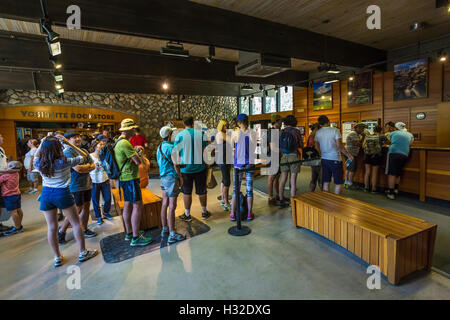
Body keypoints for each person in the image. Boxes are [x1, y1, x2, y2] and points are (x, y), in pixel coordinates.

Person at [33, 135, 97, 267]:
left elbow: (37, 154)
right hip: (62, 193)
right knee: (76, 223)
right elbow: (83, 155)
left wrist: (43, 142)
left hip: (46, 194)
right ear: (59, 148)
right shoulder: (65, 161)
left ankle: (57, 257)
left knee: (51, 227)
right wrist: (68, 143)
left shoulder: (39, 163)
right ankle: (83, 252)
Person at [115, 118, 152, 246]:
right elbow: (137, 161)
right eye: (133, 128)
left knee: (128, 204)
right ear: (129, 129)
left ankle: (129, 233)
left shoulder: (118, 141)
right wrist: (137, 154)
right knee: (137, 205)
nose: (134, 130)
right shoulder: (125, 143)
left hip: (124, 178)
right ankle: (136, 237)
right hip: (130, 177)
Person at [58, 131, 97, 244]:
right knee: (76, 210)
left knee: (86, 207)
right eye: (74, 137)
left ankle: (84, 229)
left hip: (87, 183)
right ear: (67, 140)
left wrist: (87, 167)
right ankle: (61, 231)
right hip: (75, 185)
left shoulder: (84, 151)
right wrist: (88, 167)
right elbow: (77, 169)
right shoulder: (67, 152)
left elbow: (93, 165)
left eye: (78, 136)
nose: (77, 139)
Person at [173, 115, 211, 221]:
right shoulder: (200, 134)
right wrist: (207, 163)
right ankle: (204, 212)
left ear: (183, 123)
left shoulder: (179, 136)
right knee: (202, 191)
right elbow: (205, 150)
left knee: (186, 192)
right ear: (193, 123)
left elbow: (175, 152)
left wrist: (177, 167)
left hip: (185, 169)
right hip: (200, 168)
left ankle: (187, 214)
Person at [157, 126, 186, 244]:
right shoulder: (172, 147)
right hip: (171, 178)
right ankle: (172, 234)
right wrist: (180, 177)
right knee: (172, 206)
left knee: (165, 203)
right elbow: (176, 164)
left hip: (163, 178)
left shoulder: (159, 147)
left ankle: (165, 229)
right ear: (169, 135)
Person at [314, 115, 354, 195]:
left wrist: (322, 154)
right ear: (328, 122)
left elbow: (316, 147)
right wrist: (348, 155)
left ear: (320, 124)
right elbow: (340, 146)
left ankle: (326, 200)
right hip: (335, 159)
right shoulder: (335, 130)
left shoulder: (318, 132)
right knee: (338, 182)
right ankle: (336, 200)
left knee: (326, 181)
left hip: (324, 159)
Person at [230, 114, 257, 221]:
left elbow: (232, 148)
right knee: (249, 190)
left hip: (238, 164)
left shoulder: (235, 133)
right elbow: (254, 147)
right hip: (249, 162)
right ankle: (249, 214)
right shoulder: (253, 133)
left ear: (238, 122)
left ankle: (232, 214)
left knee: (236, 189)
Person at [278, 115, 303, 208]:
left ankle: (281, 200)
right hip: (294, 156)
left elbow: (279, 145)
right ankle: (293, 201)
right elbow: (300, 144)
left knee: (283, 178)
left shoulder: (282, 132)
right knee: (293, 180)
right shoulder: (296, 131)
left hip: (284, 157)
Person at [385, 122, 414, 200]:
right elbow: (410, 144)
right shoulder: (410, 135)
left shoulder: (393, 133)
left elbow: (388, 141)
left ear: (396, 128)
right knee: (398, 173)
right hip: (404, 155)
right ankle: (396, 189)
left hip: (393, 153)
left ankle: (391, 193)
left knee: (391, 173)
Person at [89, 139, 113, 225]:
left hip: (105, 180)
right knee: (95, 200)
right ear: (95, 146)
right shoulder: (90, 156)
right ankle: (98, 216)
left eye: (103, 144)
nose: (102, 146)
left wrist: (111, 179)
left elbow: (108, 168)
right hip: (94, 181)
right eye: (100, 145)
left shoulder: (105, 155)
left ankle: (106, 213)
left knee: (108, 199)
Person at [362, 125, 389, 193]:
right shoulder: (382, 136)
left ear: (373, 130)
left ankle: (366, 188)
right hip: (376, 156)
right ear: (381, 131)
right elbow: (389, 143)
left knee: (367, 172)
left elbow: (363, 145)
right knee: (374, 173)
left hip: (367, 155)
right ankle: (373, 189)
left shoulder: (367, 136)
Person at [0, 161, 24, 236]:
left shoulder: (6, 176)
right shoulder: (16, 174)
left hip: (9, 196)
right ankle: (19, 225)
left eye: (8, 166)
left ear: (12, 168)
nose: (6, 166)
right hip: (17, 194)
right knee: (18, 209)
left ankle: (17, 228)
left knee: (13, 212)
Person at [263, 114, 282, 206]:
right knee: (271, 178)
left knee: (276, 177)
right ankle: (270, 197)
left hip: (276, 157)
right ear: (276, 122)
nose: (281, 123)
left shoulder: (276, 131)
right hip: (272, 157)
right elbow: (273, 147)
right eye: (280, 121)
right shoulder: (272, 132)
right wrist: (284, 150)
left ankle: (278, 195)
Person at [215, 119, 232, 211]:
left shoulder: (220, 134)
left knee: (223, 180)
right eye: (226, 125)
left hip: (223, 159)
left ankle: (222, 199)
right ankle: (226, 203)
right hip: (224, 160)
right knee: (227, 182)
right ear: (222, 126)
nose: (228, 127)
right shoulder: (221, 134)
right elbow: (232, 140)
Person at [344, 123, 366, 190]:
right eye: (361, 128)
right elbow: (357, 144)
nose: (362, 130)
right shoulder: (353, 134)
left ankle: (346, 183)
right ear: (357, 128)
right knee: (352, 169)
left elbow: (357, 143)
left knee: (348, 168)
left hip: (349, 153)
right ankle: (350, 183)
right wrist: (363, 137)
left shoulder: (356, 134)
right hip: (351, 154)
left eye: (363, 128)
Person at [307, 123, 322, 192]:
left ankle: (311, 193)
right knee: (321, 178)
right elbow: (317, 148)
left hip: (312, 158)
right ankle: (324, 194)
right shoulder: (316, 136)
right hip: (318, 158)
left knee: (314, 177)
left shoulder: (310, 136)